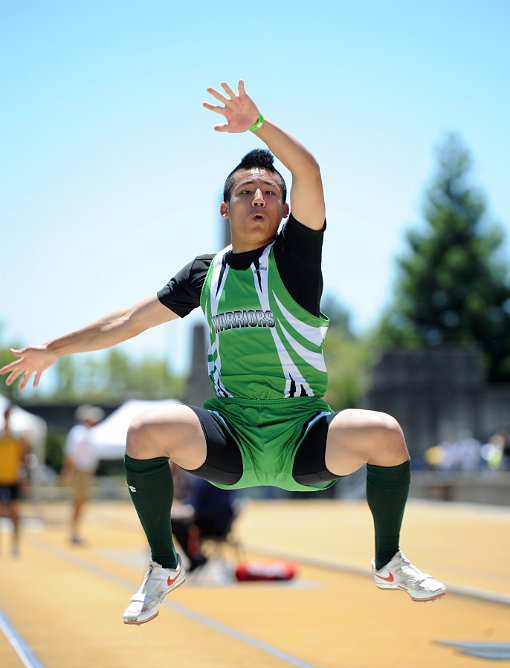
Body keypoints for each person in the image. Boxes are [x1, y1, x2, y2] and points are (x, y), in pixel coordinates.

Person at [0, 80, 445, 623]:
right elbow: (127, 321)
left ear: (284, 210)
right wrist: (53, 348)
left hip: (303, 433)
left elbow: (310, 172)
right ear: (225, 206)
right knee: (144, 432)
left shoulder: (295, 258)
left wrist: (258, 124)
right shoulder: (203, 274)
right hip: (230, 436)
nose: (258, 198)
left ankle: (388, 558)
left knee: (385, 432)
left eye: (269, 192)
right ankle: (164, 565)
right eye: (245, 191)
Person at [170, 462, 238, 573]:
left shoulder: (221, 479)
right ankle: (195, 558)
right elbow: (194, 500)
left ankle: (196, 558)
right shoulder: (206, 477)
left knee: (176, 523)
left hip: (214, 525)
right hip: (204, 519)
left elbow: (213, 507)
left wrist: (191, 511)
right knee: (174, 520)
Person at [61, 404, 104, 545]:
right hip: (80, 471)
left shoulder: (89, 433)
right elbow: (71, 454)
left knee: (81, 502)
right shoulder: (78, 432)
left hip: (86, 472)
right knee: (78, 502)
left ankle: (75, 531)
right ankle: (73, 532)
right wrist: (69, 471)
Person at [0, 404, 30, 556]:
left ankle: (15, 544)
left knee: (14, 514)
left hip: (12, 479)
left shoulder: (19, 438)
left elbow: (23, 460)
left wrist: (24, 479)